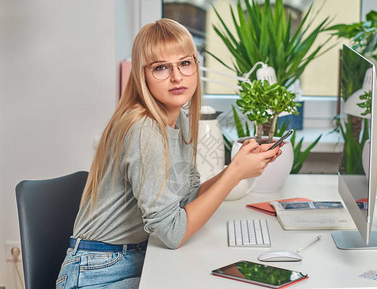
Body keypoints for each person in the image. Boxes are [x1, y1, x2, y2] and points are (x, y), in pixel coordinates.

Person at [56, 18, 282, 289]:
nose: (177, 77)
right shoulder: (144, 129)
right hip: (99, 270)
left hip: (137, 256)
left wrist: (235, 167)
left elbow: (188, 198)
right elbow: (173, 233)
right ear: (142, 75)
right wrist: (235, 174)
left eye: (185, 63)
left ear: (196, 66)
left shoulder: (179, 118)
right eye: (161, 67)